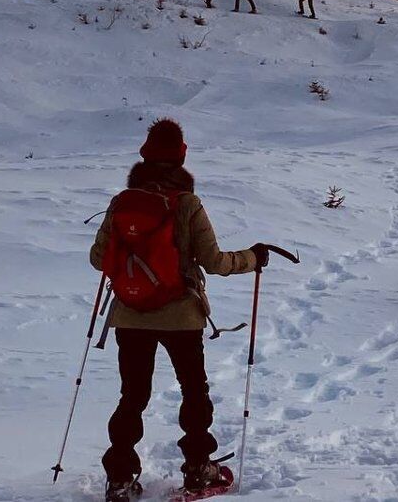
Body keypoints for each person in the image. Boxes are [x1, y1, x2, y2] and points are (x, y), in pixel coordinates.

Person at [90, 118, 269, 501]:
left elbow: (97, 259)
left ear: (144, 154)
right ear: (182, 155)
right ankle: (198, 469)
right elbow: (214, 260)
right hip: (181, 316)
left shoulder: (123, 203)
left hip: (130, 314)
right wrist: (253, 259)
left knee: (132, 395)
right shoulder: (187, 204)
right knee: (193, 389)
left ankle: (120, 478)